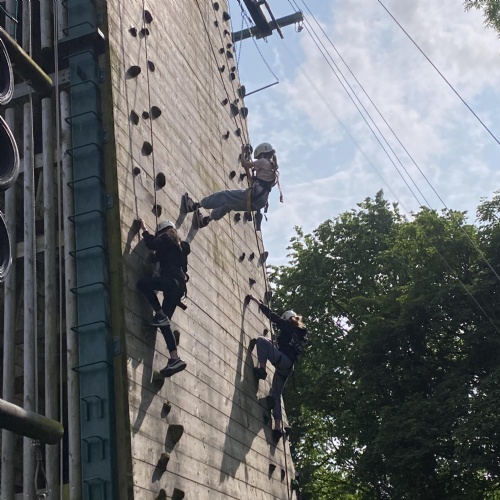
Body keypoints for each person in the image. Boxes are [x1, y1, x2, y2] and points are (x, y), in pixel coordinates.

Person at [246, 294, 308, 442]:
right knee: (276, 394)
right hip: (288, 367)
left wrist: (257, 302)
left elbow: (272, 316)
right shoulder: (301, 334)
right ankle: (278, 428)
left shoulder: (287, 325)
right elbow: (286, 346)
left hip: (282, 360)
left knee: (262, 341)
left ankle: (262, 369)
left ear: (287, 318)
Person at [181, 142, 283, 228]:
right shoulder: (273, 171)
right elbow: (251, 180)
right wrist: (247, 168)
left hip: (253, 196)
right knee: (228, 205)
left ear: (263, 154)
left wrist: (242, 151)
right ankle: (205, 220)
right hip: (258, 203)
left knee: (225, 195)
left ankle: (195, 205)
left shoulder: (263, 162)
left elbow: (244, 164)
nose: (258, 159)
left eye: (259, 157)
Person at [136, 218, 190, 377]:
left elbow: (152, 244)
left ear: (163, 231)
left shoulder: (166, 238)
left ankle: (159, 313)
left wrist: (144, 229)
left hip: (171, 282)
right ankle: (174, 358)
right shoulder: (180, 246)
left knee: (142, 284)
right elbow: (162, 256)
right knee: (164, 323)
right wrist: (155, 257)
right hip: (179, 288)